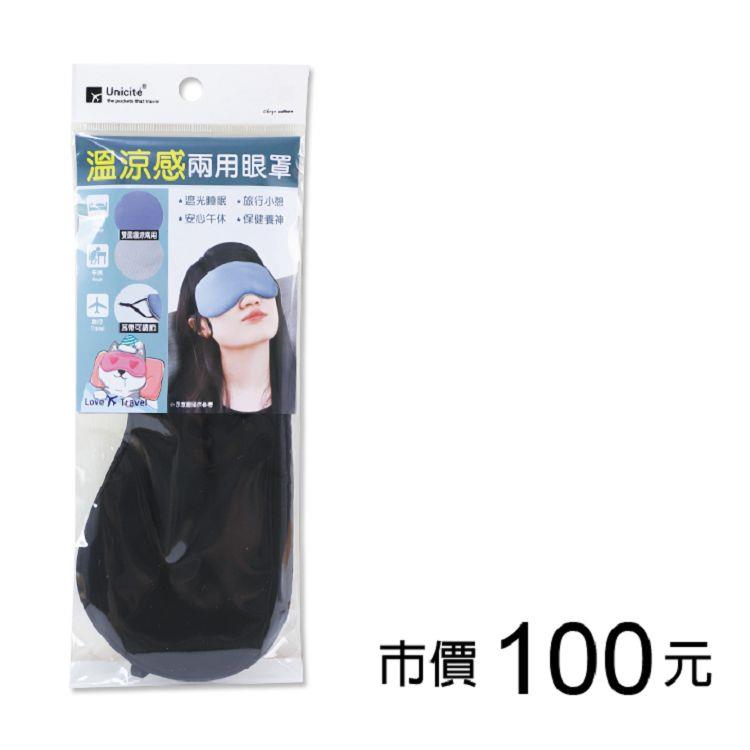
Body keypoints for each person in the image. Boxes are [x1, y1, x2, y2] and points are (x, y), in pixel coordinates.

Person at [170, 242, 295, 413]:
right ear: (201, 326)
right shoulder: (176, 411)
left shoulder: (308, 390)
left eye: (258, 280)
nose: (251, 300)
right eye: (224, 291)